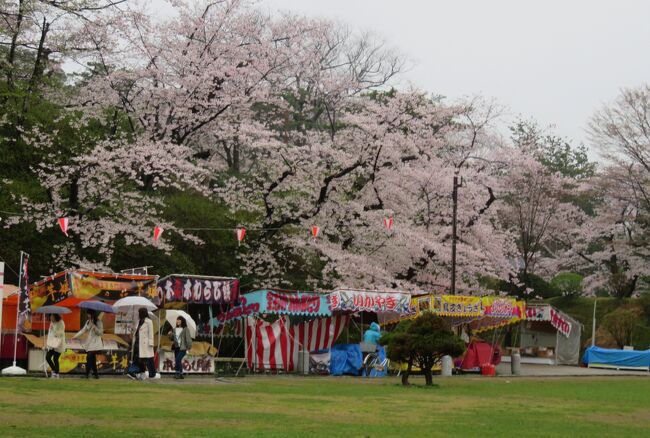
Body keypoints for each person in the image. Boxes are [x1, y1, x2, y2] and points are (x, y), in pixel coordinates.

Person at [73, 309, 103, 379]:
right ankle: (96, 375)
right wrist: (75, 336)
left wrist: (94, 327)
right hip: (89, 343)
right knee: (92, 359)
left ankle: (87, 374)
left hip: (95, 344)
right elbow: (83, 330)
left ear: (92, 314)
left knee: (89, 358)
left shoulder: (98, 322)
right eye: (87, 314)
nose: (87, 316)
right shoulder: (88, 322)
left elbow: (100, 333)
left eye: (89, 314)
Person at [132, 307, 156, 380]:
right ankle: (141, 373)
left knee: (148, 359)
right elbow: (137, 331)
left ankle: (152, 374)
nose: (138, 314)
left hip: (145, 344)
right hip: (138, 343)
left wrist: (151, 343)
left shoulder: (149, 321)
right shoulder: (138, 321)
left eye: (139, 312)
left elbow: (151, 333)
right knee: (138, 359)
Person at [45, 314, 66, 378]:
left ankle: (56, 373)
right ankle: (54, 370)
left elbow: (60, 333)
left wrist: (53, 328)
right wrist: (48, 343)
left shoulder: (61, 323)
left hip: (59, 344)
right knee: (48, 357)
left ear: (55, 316)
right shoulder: (52, 322)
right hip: (52, 343)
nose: (51, 318)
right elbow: (50, 334)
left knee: (55, 358)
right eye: (50, 316)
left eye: (52, 316)